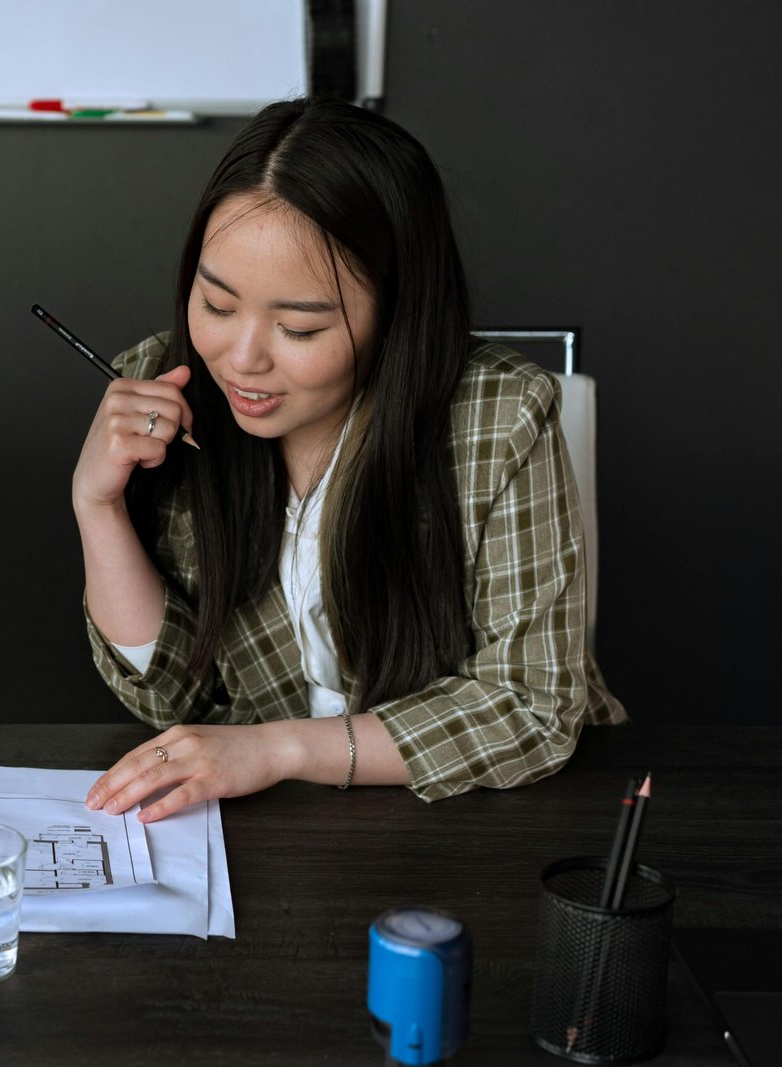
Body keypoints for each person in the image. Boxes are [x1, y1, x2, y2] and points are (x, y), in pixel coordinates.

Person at [74, 97, 624, 824]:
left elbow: (529, 704)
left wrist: (282, 749)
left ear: (396, 313)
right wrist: (98, 505)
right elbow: (169, 694)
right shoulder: (161, 389)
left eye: (299, 326)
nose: (241, 359)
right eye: (216, 303)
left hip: (472, 822)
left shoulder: (500, 416)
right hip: (261, 836)